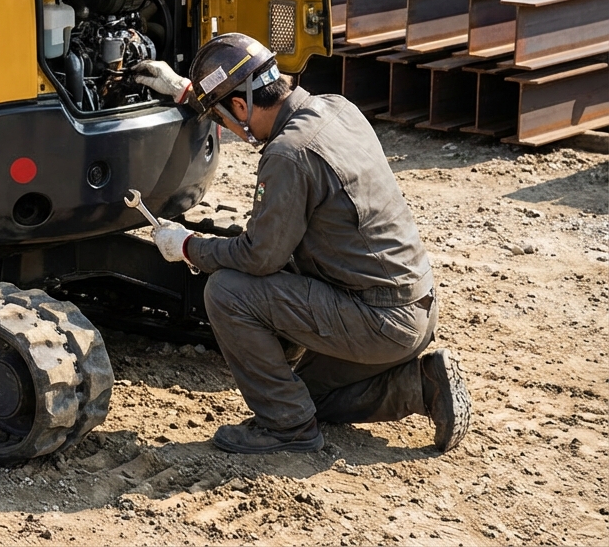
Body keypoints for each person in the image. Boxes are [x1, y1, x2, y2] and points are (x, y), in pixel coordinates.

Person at [134, 33, 472, 455]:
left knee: (228, 292)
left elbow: (259, 257)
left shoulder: (288, 155)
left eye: (223, 117)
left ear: (240, 105)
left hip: (378, 323)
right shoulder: (335, 108)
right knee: (305, 396)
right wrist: (190, 91)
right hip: (413, 308)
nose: (231, 129)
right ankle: (422, 387)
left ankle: (286, 430)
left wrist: (187, 247)